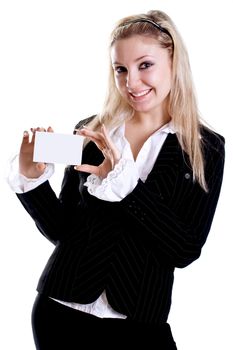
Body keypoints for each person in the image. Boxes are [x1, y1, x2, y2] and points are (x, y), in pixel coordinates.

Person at [7, 9, 225, 350]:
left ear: (173, 61)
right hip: (59, 311)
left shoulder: (206, 147)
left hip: (138, 322)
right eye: (120, 69)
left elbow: (185, 249)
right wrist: (32, 181)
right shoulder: (93, 130)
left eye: (145, 65)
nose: (131, 83)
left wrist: (127, 189)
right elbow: (63, 230)